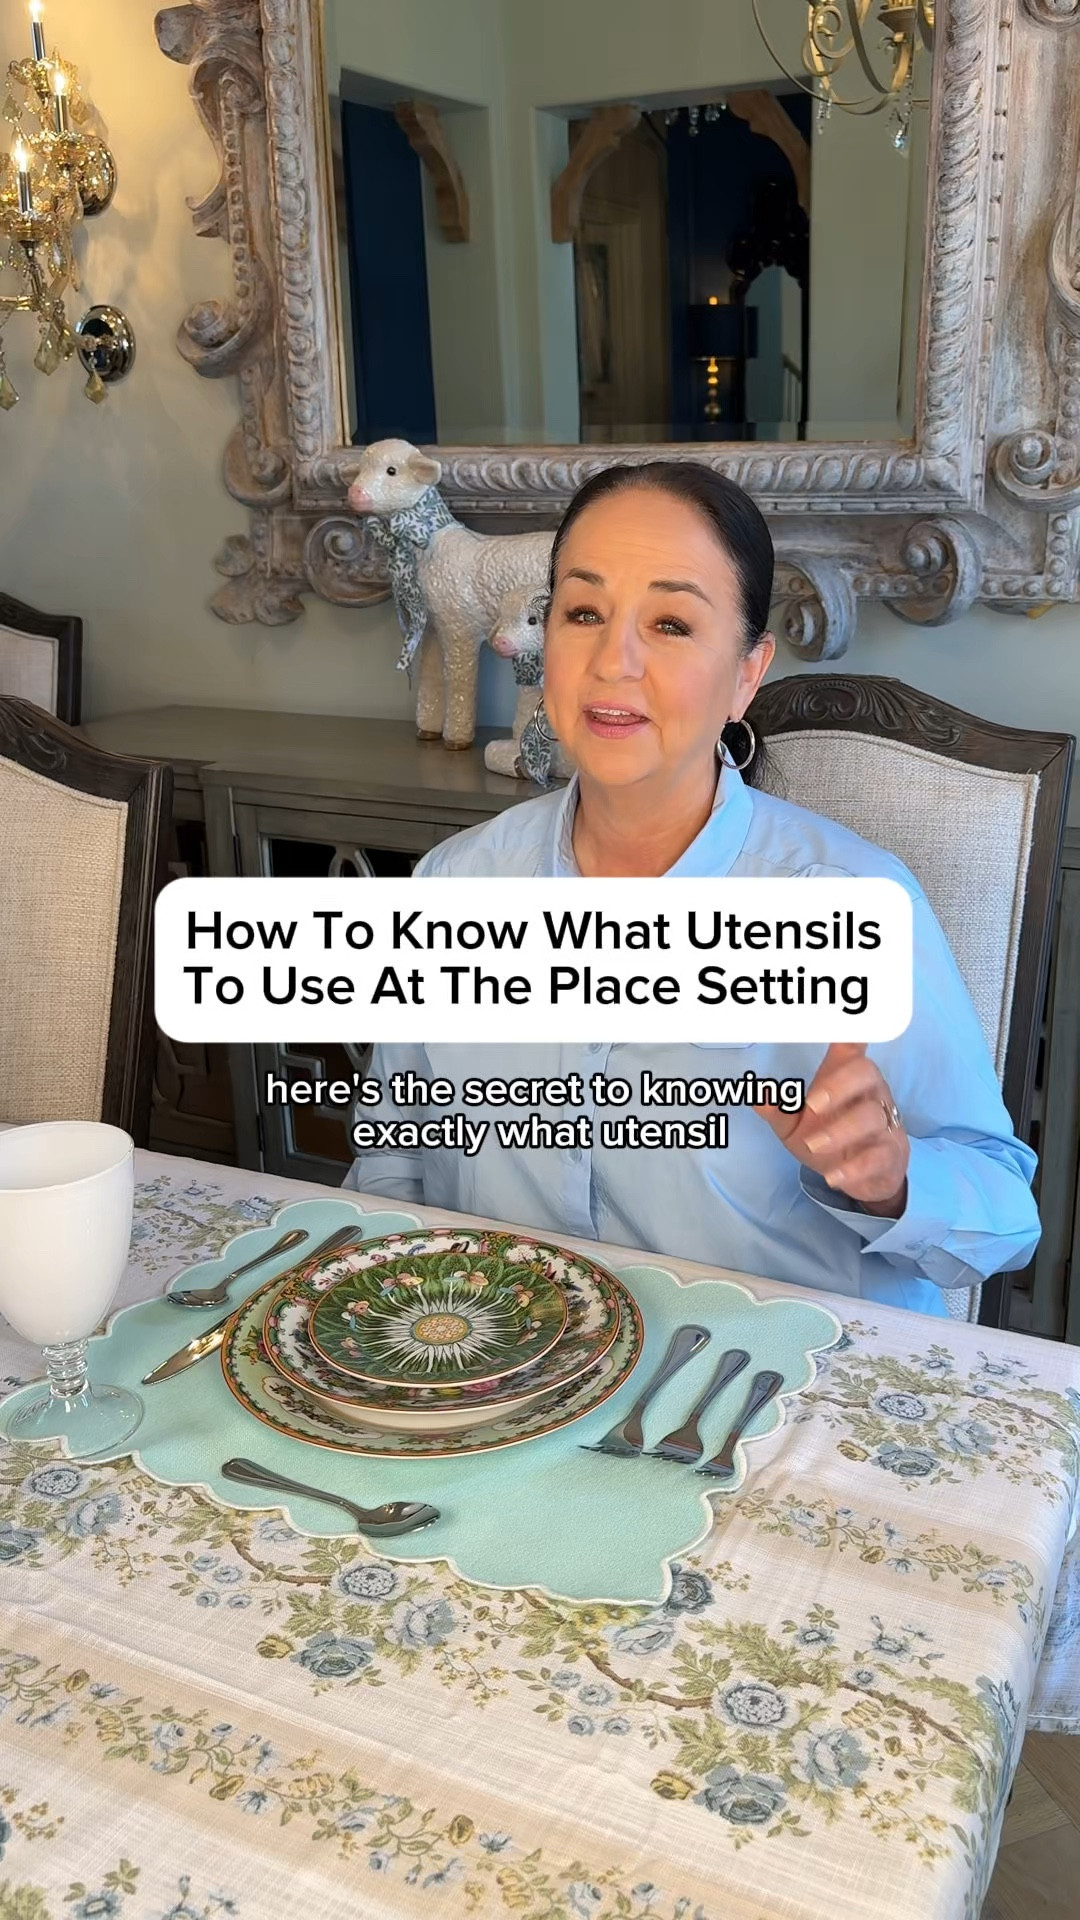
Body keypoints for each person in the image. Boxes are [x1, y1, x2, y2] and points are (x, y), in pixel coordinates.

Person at [345, 462, 1040, 1316]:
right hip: (506, 1361)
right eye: (583, 612)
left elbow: (1005, 1218)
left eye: (671, 623)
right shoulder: (453, 886)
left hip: (767, 1377)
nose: (614, 661)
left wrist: (892, 1178)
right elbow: (392, 1162)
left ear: (746, 674)